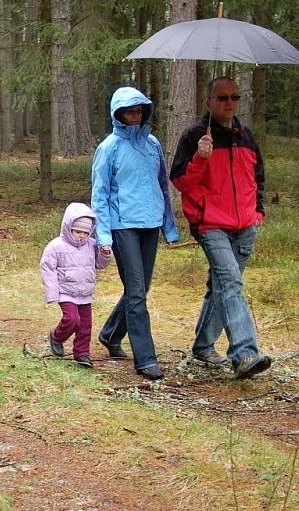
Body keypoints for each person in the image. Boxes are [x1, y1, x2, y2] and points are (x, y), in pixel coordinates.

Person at [170, 76, 271, 380]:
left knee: (221, 287)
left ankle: (202, 346)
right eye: (222, 97)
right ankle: (244, 354)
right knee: (231, 284)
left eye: (234, 97)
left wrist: (258, 213)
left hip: (244, 226)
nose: (229, 103)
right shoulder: (194, 137)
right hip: (211, 225)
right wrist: (201, 158)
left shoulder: (246, 135)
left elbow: (259, 178)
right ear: (209, 102)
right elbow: (180, 181)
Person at [91, 86, 179, 380]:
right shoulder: (108, 148)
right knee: (138, 291)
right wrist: (103, 236)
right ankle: (146, 357)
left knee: (139, 289)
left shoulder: (153, 144)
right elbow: (99, 195)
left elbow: (162, 186)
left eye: (139, 109)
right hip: (122, 225)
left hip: (150, 223)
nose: (135, 115)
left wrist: (169, 226)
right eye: (129, 110)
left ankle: (110, 333)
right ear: (118, 114)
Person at [40, 202, 113, 368]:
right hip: (66, 291)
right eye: (78, 231)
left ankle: (82, 354)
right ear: (68, 227)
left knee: (85, 325)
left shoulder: (92, 245)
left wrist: (105, 253)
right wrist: (53, 294)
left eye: (85, 232)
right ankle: (57, 337)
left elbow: (100, 264)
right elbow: (48, 269)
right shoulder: (56, 246)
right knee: (72, 319)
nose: (81, 235)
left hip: (85, 292)